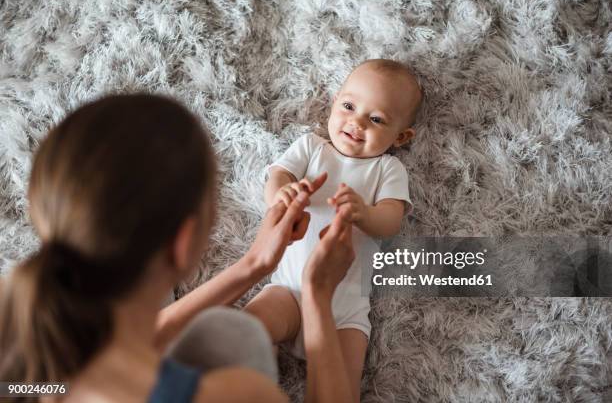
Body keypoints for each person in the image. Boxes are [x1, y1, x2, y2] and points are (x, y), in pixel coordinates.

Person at [0, 94, 356, 402]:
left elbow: (107, 353)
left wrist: (255, 264)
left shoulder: (19, 331)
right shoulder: (238, 395)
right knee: (235, 339)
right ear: (185, 243)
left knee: (229, 335)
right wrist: (317, 294)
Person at [245, 59, 423, 402]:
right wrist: (281, 193)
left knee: (342, 390)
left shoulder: (388, 168)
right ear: (334, 101)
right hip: (288, 293)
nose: (356, 122)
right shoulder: (312, 147)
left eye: (376, 119)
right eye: (349, 106)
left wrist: (364, 214)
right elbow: (279, 176)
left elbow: (391, 220)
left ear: (400, 136)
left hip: (345, 313)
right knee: (240, 333)